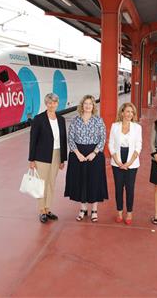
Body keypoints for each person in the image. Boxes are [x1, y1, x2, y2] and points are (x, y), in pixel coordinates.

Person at [64, 94, 108, 222]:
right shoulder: (75, 120)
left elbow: (103, 138)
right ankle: (83, 208)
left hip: (94, 155)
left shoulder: (98, 120)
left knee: (94, 181)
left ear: (94, 106)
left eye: (91, 103)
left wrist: (94, 153)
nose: (88, 106)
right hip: (78, 155)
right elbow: (70, 138)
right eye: (86, 103)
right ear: (82, 105)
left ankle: (94, 209)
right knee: (81, 181)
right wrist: (77, 153)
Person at [28, 93, 67, 223]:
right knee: (41, 184)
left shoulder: (61, 119)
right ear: (46, 104)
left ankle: (48, 208)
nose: (52, 105)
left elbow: (63, 139)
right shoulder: (39, 119)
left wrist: (62, 159)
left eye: (54, 102)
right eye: (50, 103)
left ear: (57, 103)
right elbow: (33, 140)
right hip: (41, 156)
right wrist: (31, 159)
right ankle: (41, 210)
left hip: (56, 154)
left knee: (51, 183)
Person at [108, 103, 142, 225]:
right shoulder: (114, 126)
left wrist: (129, 162)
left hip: (132, 162)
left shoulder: (137, 128)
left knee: (130, 188)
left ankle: (129, 213)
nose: (129, 114)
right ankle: (119, 212)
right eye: (127, 111)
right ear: (122, 113)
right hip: (117, 159)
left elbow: (138, 146)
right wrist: (117, 161)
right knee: (118, 188)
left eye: (132, 112)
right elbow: (111, 144)